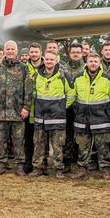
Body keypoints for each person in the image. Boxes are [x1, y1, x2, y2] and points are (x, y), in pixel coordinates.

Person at [0, 41, 32, 176]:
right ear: (4, 51)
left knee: (18, 140)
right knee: (1, 139)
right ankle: (1, 164)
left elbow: (28, 89)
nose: (10, 51)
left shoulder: (23, 68)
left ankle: (19, 165)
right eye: (8, 49)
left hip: (18, 111)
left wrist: (26, 107)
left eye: (13, 49)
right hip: (1, 111)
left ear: (17, 51)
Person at [28, 49, 74, 178]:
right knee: (38, 144)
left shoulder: (64, 75)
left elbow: (71, 94)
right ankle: (38, 167)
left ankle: (58, 168)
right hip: (40, 116)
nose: (49, 62)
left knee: (58, 145)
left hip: (57, 117)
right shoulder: (37, 75)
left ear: (56, 60)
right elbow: (32, 93)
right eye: (47, 59)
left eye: (51, 59)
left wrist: (62, 107)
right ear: (44, 59)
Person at [72, 52, 110, 179]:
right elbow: (72, 97)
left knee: (103, 146)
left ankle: (106, 169)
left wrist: (107, 114)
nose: (93, 64)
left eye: (95, 61)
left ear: (99, 63)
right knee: (82, 146)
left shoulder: (108, 79)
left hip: (101, 118)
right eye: (90, 61)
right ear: (86, 62)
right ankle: (82, 168)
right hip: (82, 118)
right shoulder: (78, 78)